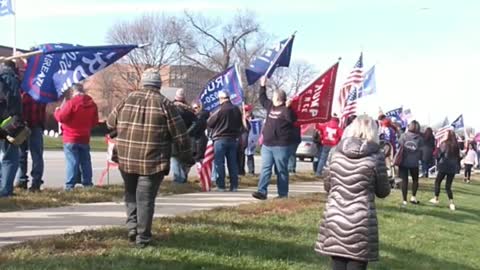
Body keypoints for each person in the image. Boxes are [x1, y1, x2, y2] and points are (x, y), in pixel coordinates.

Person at [107, 68, 193, 247]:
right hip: (153, 161)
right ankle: (143, 238)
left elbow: (109, 122)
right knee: (145, 199)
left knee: (130, 193)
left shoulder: (127, 99)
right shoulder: (165, 104)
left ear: (142, 83)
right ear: (159, 85)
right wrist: (187, 156)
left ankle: (132, 227)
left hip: (126, 158)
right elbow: (180, 135)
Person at [315, 115, 391, 270]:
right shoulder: (377, 156)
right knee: (357, 263)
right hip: (360, 219)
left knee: (337, 262)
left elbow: (327, 185)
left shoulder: (335, 152)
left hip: (335, 215)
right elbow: (383, 191)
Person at [252, 76, 297, 200]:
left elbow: (292, 120)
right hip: (267, 145)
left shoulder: (286, 110)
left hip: (281, 146)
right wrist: (262, 85)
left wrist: (289, 108)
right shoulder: (271, 106)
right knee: (266, 168)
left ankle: (283, 194)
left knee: (281, 170)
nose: (271, 97)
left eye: (273, 96)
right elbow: (262, 99)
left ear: (278, 98)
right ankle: (262, 191)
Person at [54, 83, 98, 191]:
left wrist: (57, 111)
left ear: (73, 92)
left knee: (72, 161)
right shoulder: (92, 104)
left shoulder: (71, 103)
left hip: (71, 137)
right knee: (85, 161)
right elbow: (94, 121)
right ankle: (87, 183)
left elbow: (61, 117)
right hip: (84, 136)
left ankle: (70, 185)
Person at [207, 90, 242, 192]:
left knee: (219, 163)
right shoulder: (236, 109)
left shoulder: (220, 110)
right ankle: (234, 185)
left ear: (221, 99)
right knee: (232, 163)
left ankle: (221, 186)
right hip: (233, 139)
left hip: (220, 139)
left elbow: (209, 123)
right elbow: (240, 124)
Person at [15, 91, 47, 192]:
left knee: (31, 154)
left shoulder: (25, 89)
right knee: (25, 154)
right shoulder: (39, 89)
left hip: (31, 123)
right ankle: (24, 180)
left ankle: (32, 181)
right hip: (29, 124)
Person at [0, 60, 22, 197]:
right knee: (10, 157)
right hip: (7, 123)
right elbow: (14, 102)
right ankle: (6, 190)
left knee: (3, 155)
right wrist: (16, 119)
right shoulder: (10, 80)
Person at [429, 130, 460, 211]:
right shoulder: (456, 146)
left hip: (444, 166)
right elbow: (458, 157)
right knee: (448, 186)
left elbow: (438, 155)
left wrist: (438, 147)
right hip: (452, 167)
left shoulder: (444, 144)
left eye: (446, 134)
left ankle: (436, 198)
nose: (444, 135)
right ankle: (451, 203)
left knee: (437, 182)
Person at [171, 89, 196, 184]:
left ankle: (178, 179)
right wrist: (187, 132)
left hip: (174, 136)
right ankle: (182, 178)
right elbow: (195, 123)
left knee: (175, 158)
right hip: (186, 138)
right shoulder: (189, 110)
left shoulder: (171, 108)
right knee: (183, 159)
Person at [398, 120, 423, 206]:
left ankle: (404, 200)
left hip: (403, 161)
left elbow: (399, 146)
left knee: (404, 181)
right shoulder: (420, 139)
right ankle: (413, 197)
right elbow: (421, 150)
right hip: (414, 162)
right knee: (415, 180)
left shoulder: (403, 136)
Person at [237, 104, 252, 176]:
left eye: (247, 111)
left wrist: (244, 119)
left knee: (241, 156)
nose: (246, 113)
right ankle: (237, 171)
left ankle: (241, 171)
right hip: (237, 141)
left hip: (243, 142)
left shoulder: (247, 121)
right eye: (245, 111)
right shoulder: (238, 119)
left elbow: (247, 128)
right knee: (237, 156)